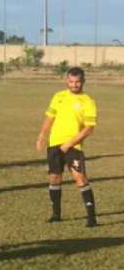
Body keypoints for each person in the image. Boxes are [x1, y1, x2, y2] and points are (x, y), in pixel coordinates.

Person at [36, 66, 98, 228]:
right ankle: (56, 215)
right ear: (67, 81)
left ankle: (92, 218)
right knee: (54, 178)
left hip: (73, 146)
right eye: (71, 81)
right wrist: (42, 136)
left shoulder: (87, 101)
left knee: (80, 178)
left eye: (77, 82)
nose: (74, 85)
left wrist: (69, 144)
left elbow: (89, 128)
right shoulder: (58, 96)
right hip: (54, 144)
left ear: (83, 81)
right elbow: (49, 118)